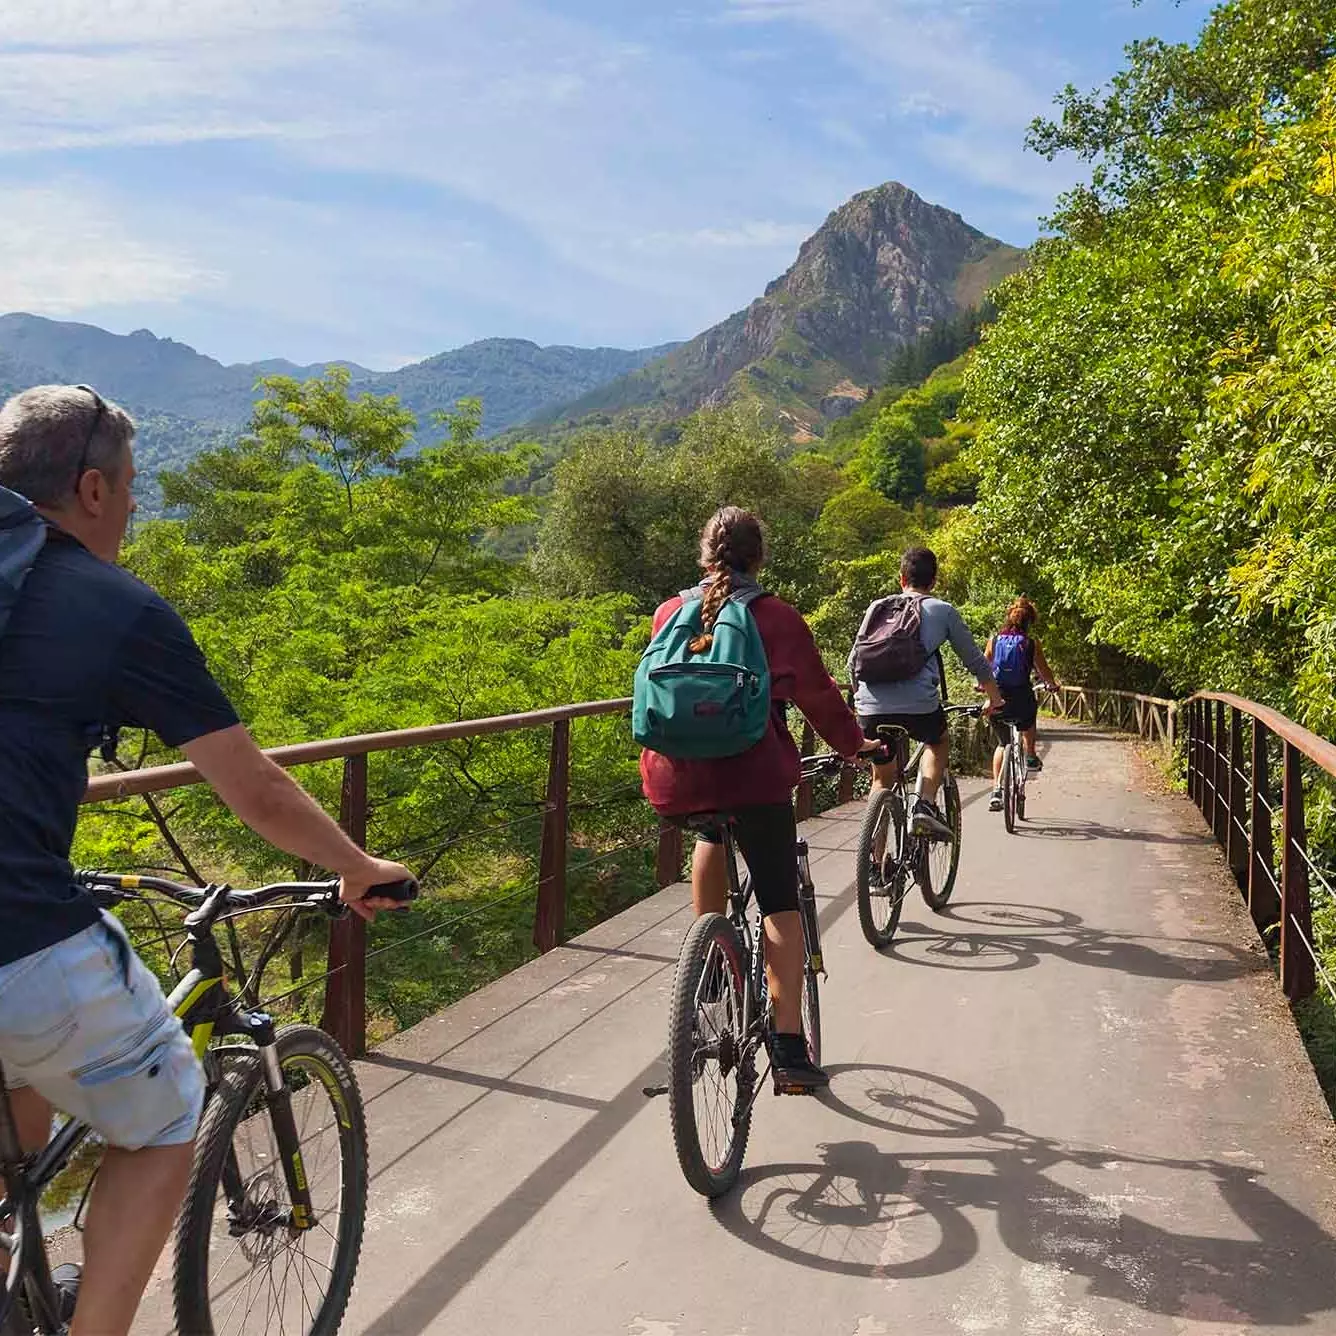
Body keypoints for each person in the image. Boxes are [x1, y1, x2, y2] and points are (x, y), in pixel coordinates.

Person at [0, 385, 414, 1336]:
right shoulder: (111, 604)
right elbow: (254, 787)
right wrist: (354, 866)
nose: (136, 510)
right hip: (20, 933)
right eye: (134, 489)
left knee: (22, 1102)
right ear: (93, 489)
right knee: (162, 1119)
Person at [640, 507, 881, 1091]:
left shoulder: (670, 612)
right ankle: (790, 1046)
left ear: (705, 555)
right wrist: (857, 747)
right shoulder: (774, 616)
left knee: (707, 831)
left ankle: (711, 963)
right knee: (779, 905)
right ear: (760, 556)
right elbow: (821, 699)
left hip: (678, 779)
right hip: (754, 778)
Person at [848, 546, 1004, 841]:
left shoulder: (876, 607)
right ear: (934, 582)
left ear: (901, 577)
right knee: (937, 740)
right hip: (919, 706)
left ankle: (875, 868)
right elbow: (975, 660)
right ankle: (925, 805)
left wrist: (861, 702)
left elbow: (852, 662)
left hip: (869, 706)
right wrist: (994, 698)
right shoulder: (942, 610)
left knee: (881, 779)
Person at [986, 596, 1059, 811]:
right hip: (1021, 697)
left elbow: (984, 666)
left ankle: (997, 790)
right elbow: (1043, 670)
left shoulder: (994, 640)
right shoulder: (1031, 644)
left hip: (997, 698)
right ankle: (1030, 754)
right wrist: (1052, 684)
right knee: (1029, 715)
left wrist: (982, 686)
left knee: (1002, 744)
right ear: (1029, 622)